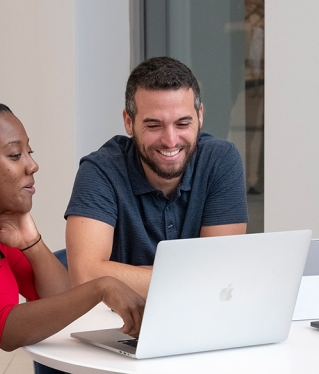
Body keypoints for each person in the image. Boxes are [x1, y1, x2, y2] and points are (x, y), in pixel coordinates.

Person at [0, 94, 145, 374]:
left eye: (30, 152)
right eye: (15, 155)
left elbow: (61, 294)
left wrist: (32, 243)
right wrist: (102, 286)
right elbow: (6, 329)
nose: (32, 166)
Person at [65, 56, 248, 298]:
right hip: (120, 325)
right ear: (128, 122)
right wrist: (198, 277)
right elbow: (86, 277)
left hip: (201, 321)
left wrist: (119, 275)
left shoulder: (220, 161)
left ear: (200, 116)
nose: (170, 140)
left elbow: (222, 275)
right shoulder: (100, 170)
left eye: (183, 123)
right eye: (154, 126)